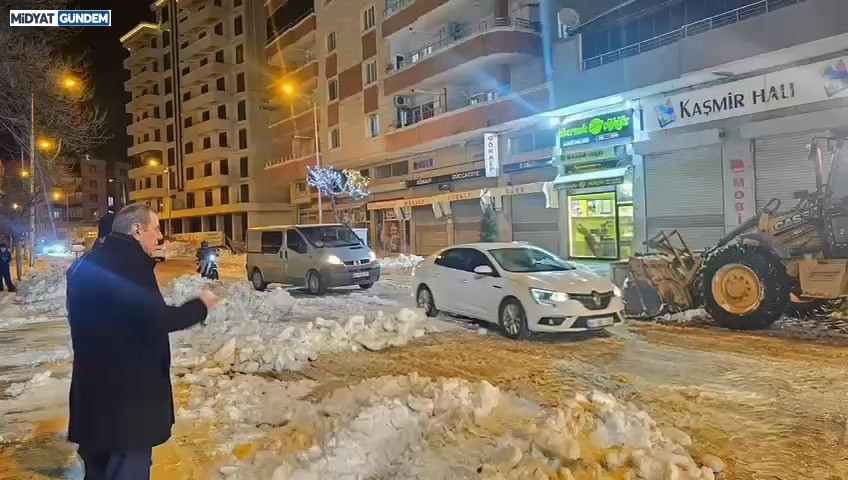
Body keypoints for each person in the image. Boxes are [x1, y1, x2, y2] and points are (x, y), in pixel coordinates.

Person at [65, 203, 220, 479]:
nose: (160, 236)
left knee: (97, 468)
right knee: (129, 467)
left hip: (92, 392)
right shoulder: (130, 264)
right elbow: (154, 320)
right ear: (137, 230)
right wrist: (201, 305)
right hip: (128, 399)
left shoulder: (85, 263)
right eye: (156, 227)